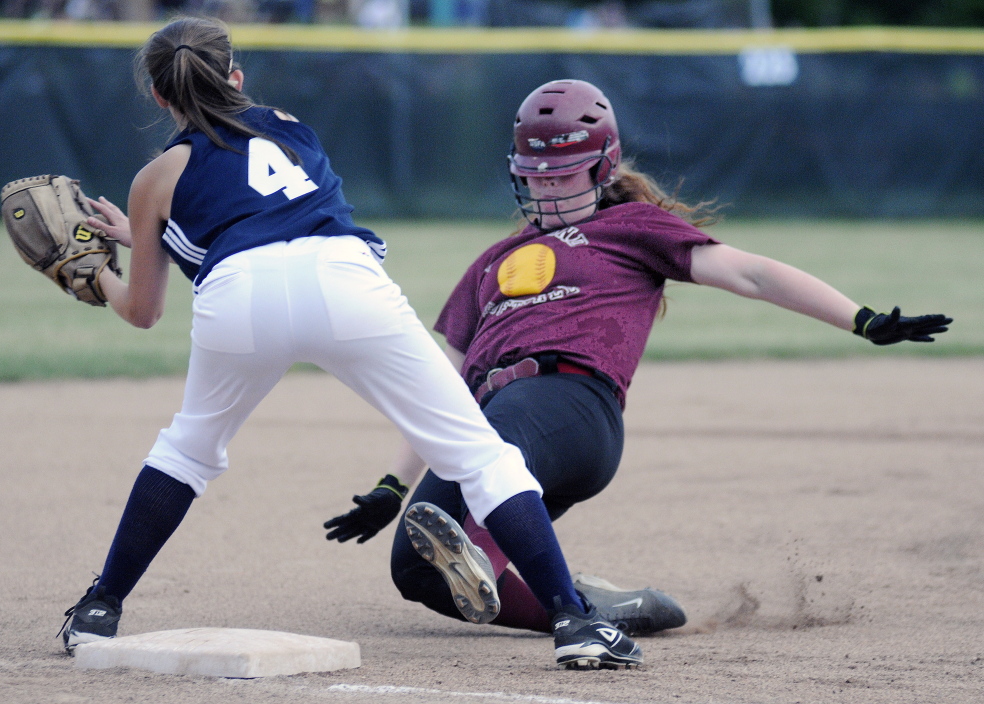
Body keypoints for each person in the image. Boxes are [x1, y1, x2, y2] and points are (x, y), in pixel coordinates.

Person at [58, 26, 642, 671]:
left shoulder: (154, 178)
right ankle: (573, 621)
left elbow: (145, 309)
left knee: (189, 449)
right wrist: (157, 235)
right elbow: (268, 215)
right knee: (479, 455)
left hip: (237, 297)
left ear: (157, 97)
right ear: (236, 78)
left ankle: (99, 606)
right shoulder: (288, 125)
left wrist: (102, 269)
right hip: (342, 280)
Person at [324, 79, 953, 640]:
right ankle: (588, 609)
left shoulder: (632, 227)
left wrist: (862, 319)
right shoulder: (489, 262)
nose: (545, 186)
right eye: (534, 174)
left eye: (563, 173)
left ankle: (489, 555)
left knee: (496, 440)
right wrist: (390, 487)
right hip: (494, 424)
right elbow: (439, 389)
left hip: (571, 413)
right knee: (416, 570)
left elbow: (753, 275)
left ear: (604, 166)